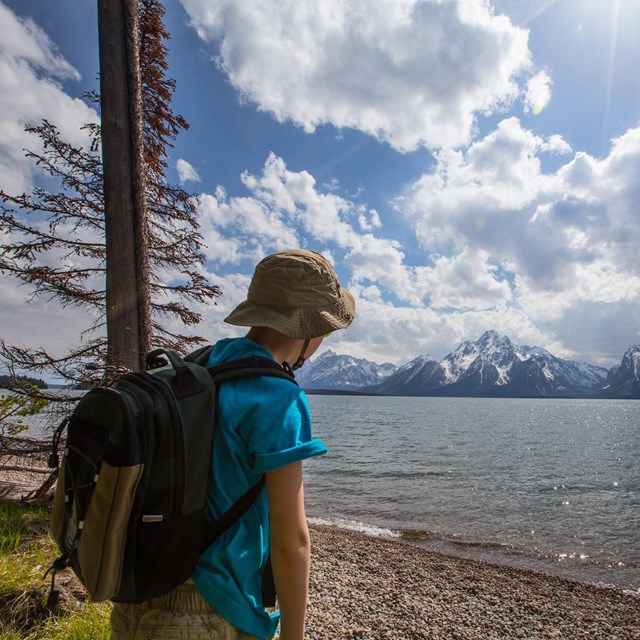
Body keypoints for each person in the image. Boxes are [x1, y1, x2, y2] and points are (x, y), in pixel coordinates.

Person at [111, 249, 355, 640]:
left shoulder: (202, 365)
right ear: (311, 327)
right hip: (211, 610)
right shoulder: (277, 396)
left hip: (139, 592)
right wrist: (295, 635)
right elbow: (291, 539)